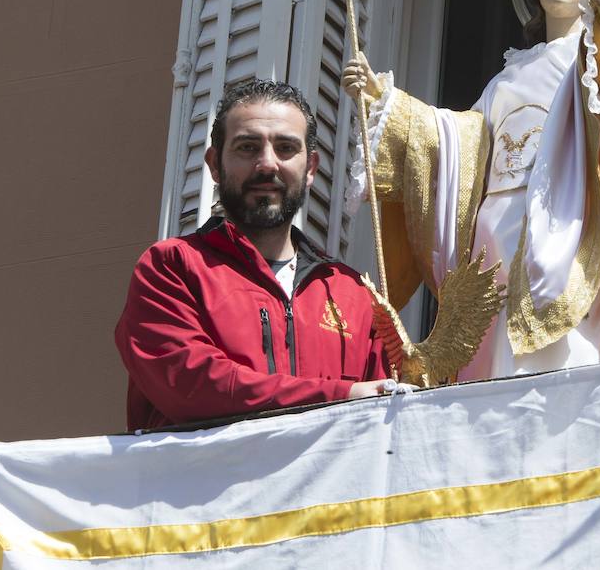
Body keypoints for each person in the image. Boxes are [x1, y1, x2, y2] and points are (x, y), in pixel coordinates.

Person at [343, 0, 600, 381]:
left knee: (566, 358)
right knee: (495, 366)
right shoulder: (507, 77)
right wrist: (386, 101)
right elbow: (458, 145)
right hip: (495, 236)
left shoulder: (598, 53)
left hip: (565, 226)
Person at [114, 79, 392, 430]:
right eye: (247, 147)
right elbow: (194, 387)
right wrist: (341, 395)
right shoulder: (171, 268)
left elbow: (384, 423)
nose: (267, 164)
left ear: (310, 168)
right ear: (215, 164)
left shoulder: (355, 295)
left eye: (286, 148)